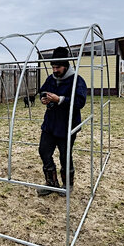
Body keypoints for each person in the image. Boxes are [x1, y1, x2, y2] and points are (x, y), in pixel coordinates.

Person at [36, 46, 87, 196]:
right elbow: (43, 91)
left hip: (67, 125)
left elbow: (80, 102)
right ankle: (51, 183)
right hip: (50, 125)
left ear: (65, 66)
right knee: (44, 151)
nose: (55, 70)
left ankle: (67, 185)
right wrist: (44, 99)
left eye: (57, 67)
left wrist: (60, 100)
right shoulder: (51, 79)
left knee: (65, 155)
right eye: (53, 67)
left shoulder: (77, 80)